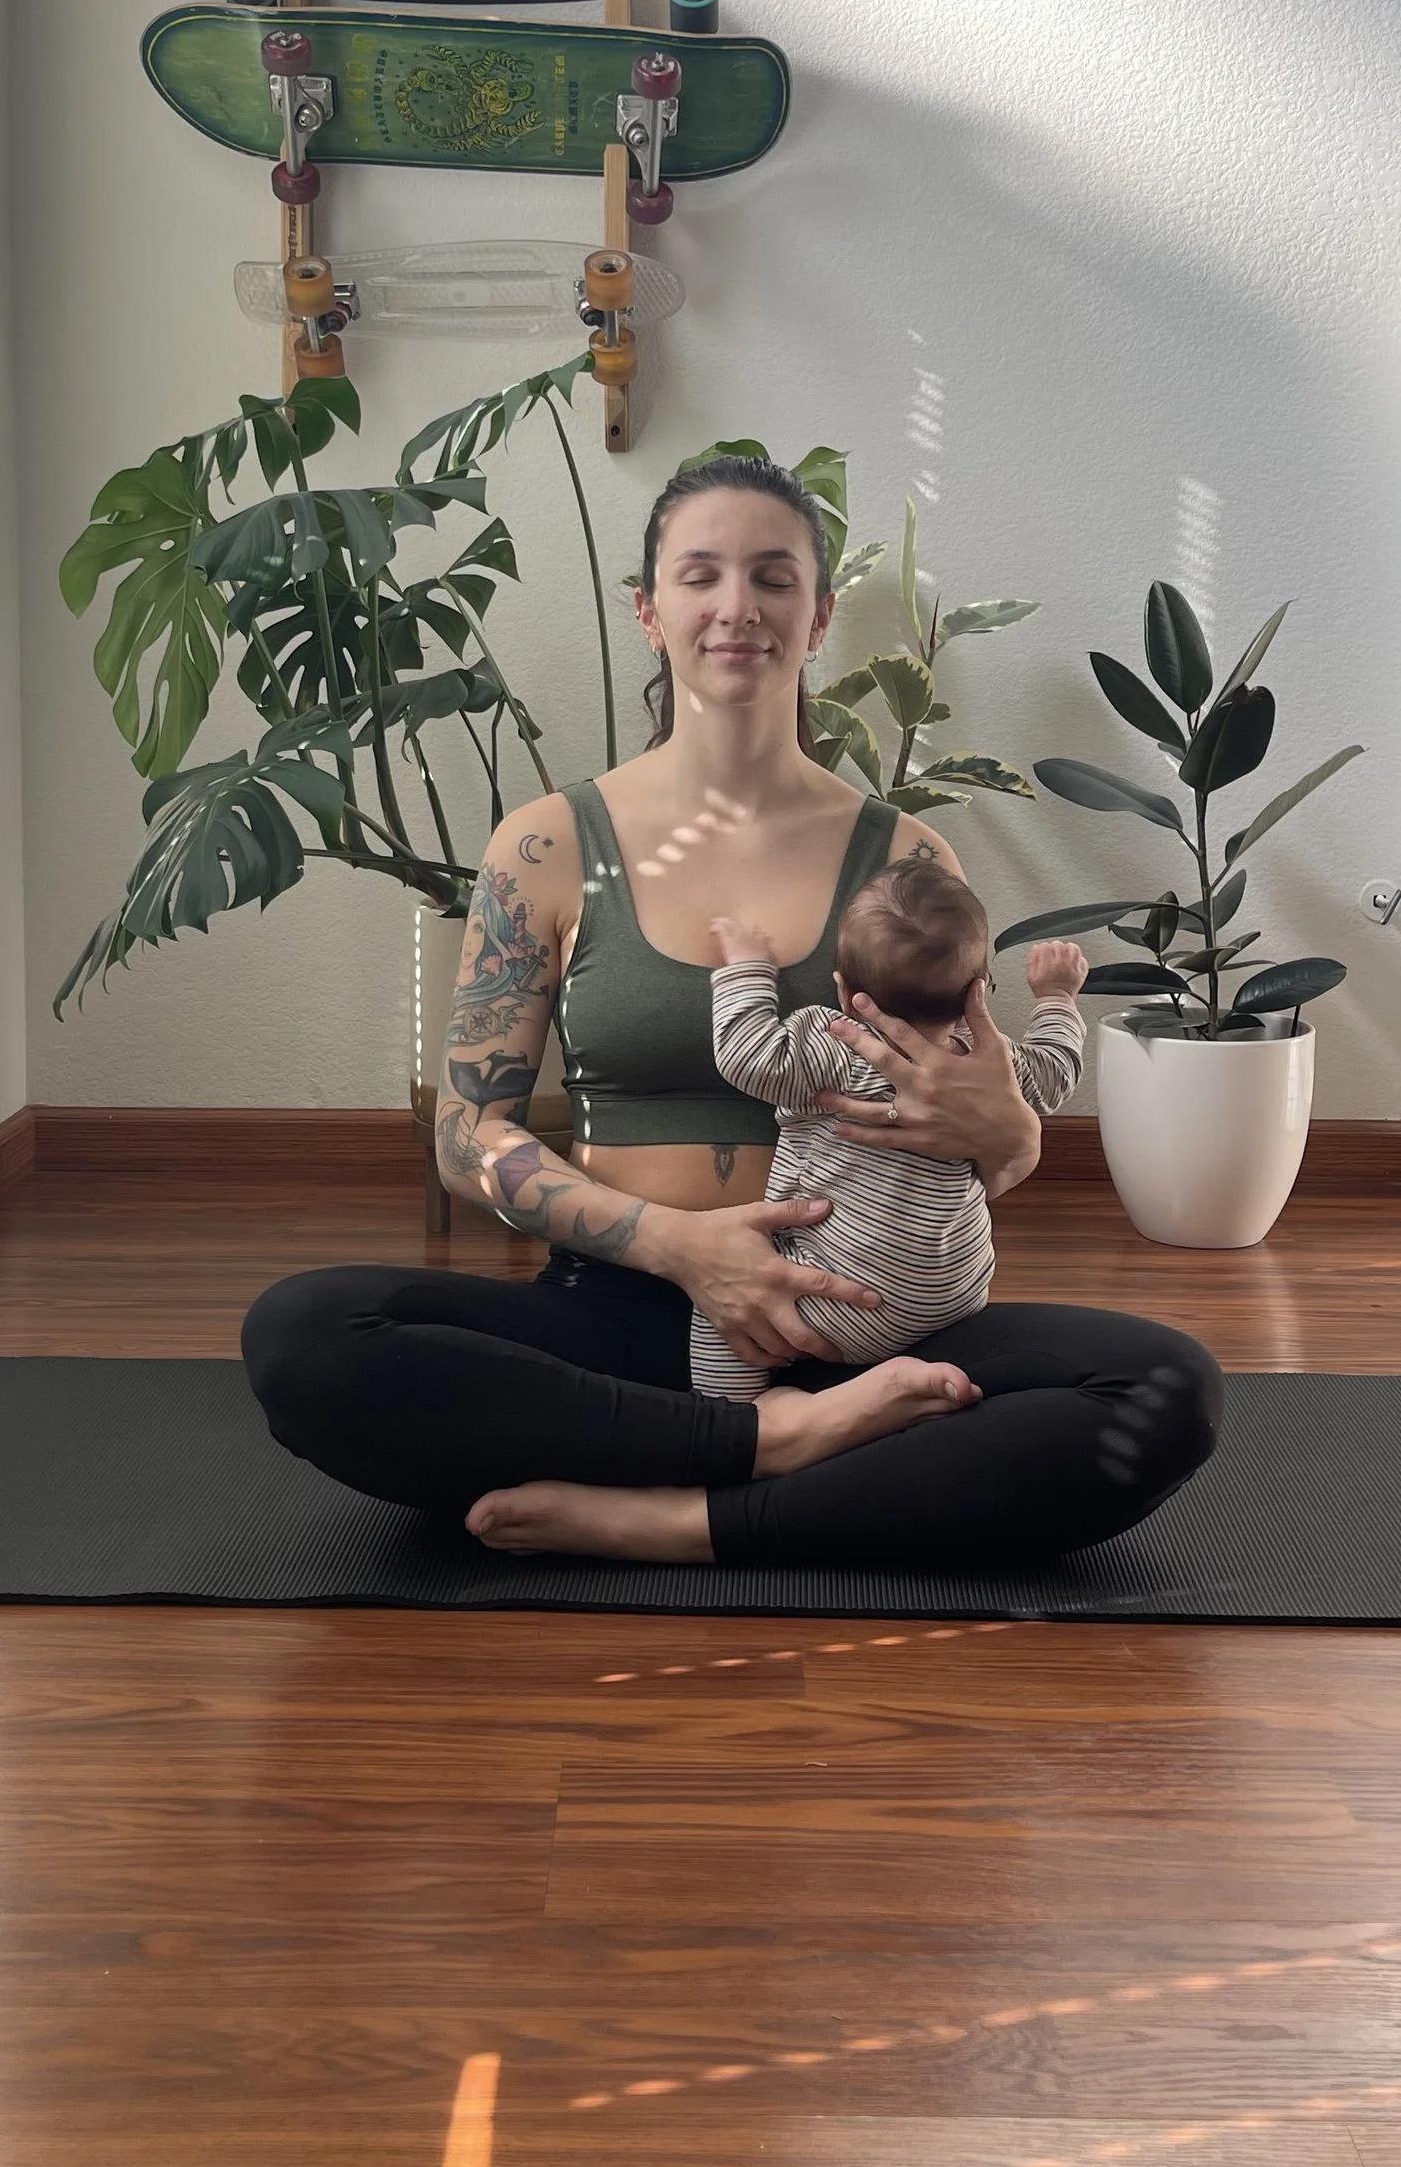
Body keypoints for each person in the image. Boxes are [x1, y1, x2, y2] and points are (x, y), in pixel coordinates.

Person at [240, 454, 1222, 1567]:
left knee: (1164, 1390)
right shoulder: (546, 847)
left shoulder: (905, 858)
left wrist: (1012, 1134)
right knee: (304, 1336)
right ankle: (773, 1449)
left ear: (816, 618)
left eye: (771, 577)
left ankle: (682, 1514)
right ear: (649, 610)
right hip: (616, 1314)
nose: (736, 607)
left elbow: (981, 1133)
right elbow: (470, 1135)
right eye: (700, 576)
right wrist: (680, 1248)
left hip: (867, 1320)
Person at [688, 860, 1090, 1400]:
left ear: (843, 988)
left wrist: (748, 967)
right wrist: (1057, 999)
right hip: (954, 1297)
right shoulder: (992, 1064)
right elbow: (1055, 1070)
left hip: (844, 1298)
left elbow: (747, 1056)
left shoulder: (833, 1044)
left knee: (719, 1308)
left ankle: (738, 1414)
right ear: (979, 990)